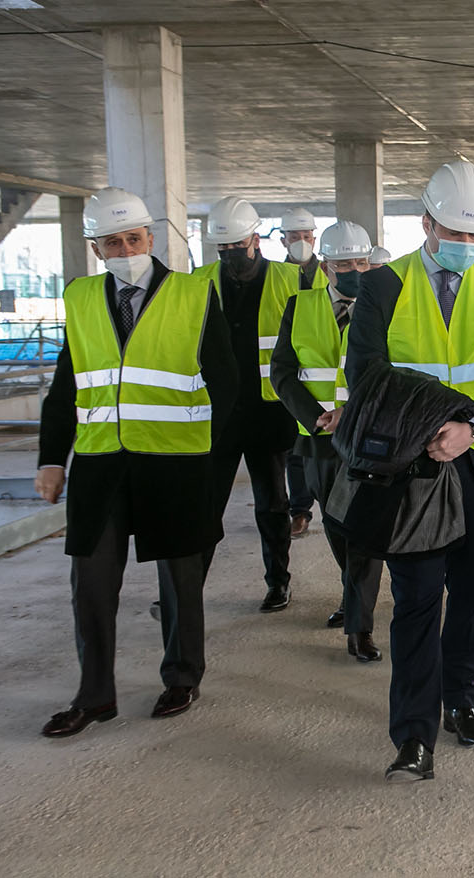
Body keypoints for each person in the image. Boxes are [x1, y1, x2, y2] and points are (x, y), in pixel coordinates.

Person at [346, 159, 474, 782]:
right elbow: (366, 374)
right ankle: (413, 734)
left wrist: (471, 428)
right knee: (418, 598)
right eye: (456, 234)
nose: (467, 247)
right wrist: (431, 429)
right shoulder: (383, 287)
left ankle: (462, 700)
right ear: (426, 222)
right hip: (411, 468)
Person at [36, 187, 236, 736]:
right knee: (91, 583)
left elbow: (224, 381)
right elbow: (64, 390)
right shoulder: (78, 298)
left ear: (150, 237)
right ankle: (94, 694)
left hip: (175, 463)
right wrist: (52, 459)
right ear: (96, 249)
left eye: (132, 237)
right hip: (100, 465)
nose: (124, 248)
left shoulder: (194, 295)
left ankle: (182, 676)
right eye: (111, 241)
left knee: (180, 578)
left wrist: (215, 464)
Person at [269, 220, 384, 660]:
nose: (354, 270)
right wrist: (314, 416)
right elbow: (282, 370)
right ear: (327, 267)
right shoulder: (300, 306)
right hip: (317, 440)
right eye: (343, 264)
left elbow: (396, 372)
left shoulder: (386, 307)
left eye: (361, 262)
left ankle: (360, 626)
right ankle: (353, 598)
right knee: (337, 529)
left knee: (363, 532)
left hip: (369, 438)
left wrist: (353, 413)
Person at [198, 196, 301, 612]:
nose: (229, 255)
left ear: (254, 239)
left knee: (273, 504)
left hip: (269, 413)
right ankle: (186, 588)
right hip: (217, 414)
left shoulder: (289, 279)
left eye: (235, 246)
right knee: (205, 507)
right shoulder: (199, 281)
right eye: (222, 249)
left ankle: (278, 582)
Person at [280, 207, 326, 540]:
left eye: (306, 237)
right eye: (294, 237)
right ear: (283, 239)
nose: (301, 242)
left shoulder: (326, 272)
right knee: (295, 452)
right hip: (292, 378)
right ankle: (299, 510)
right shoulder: (275, 276)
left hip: (329, 383)